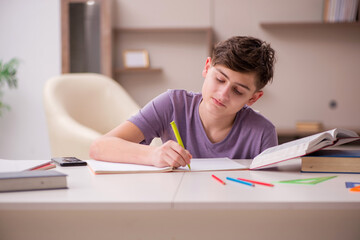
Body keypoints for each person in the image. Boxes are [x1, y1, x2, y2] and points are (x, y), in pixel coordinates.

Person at [89, 36, 278, 168]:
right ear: (206, 67)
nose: (222, 94)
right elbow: (99, 147)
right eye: (219, 79)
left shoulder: (262, 132)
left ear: (253, 98)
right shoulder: (172, 104)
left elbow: (273, 192)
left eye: (237, 90)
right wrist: (154, 155)